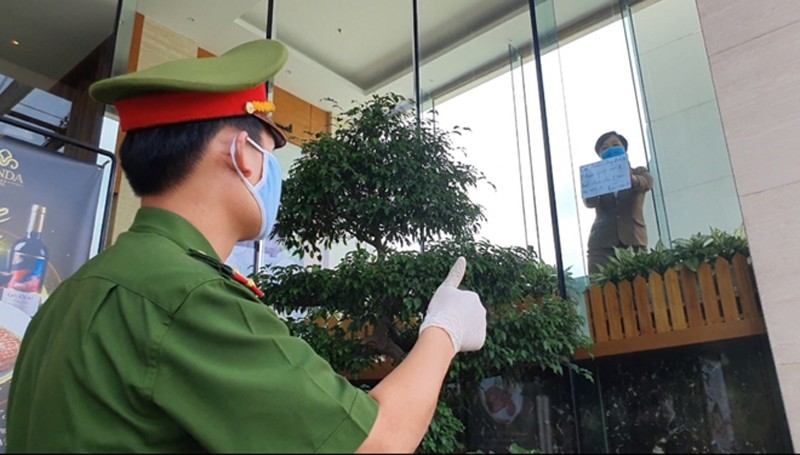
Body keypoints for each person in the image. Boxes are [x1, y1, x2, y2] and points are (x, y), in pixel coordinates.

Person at [6, 39, 487, 453]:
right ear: (243, 154)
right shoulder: (186, 296)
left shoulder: (73, 295)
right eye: (271, 152)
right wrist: (444, 329)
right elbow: (376, 443)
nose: (273, 174)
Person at [584, 131, 654, 275]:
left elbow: (645, 184)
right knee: (601, 285)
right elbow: (589, 202)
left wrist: (628, 176)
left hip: (634, 239)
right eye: (604, 148)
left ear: (624, 149)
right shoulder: (597, 176)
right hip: (602, 242)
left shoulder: (639, 171)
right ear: (600, 155)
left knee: (640, 281)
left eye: (615, 145)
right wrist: (592, 183)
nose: (610, 149)